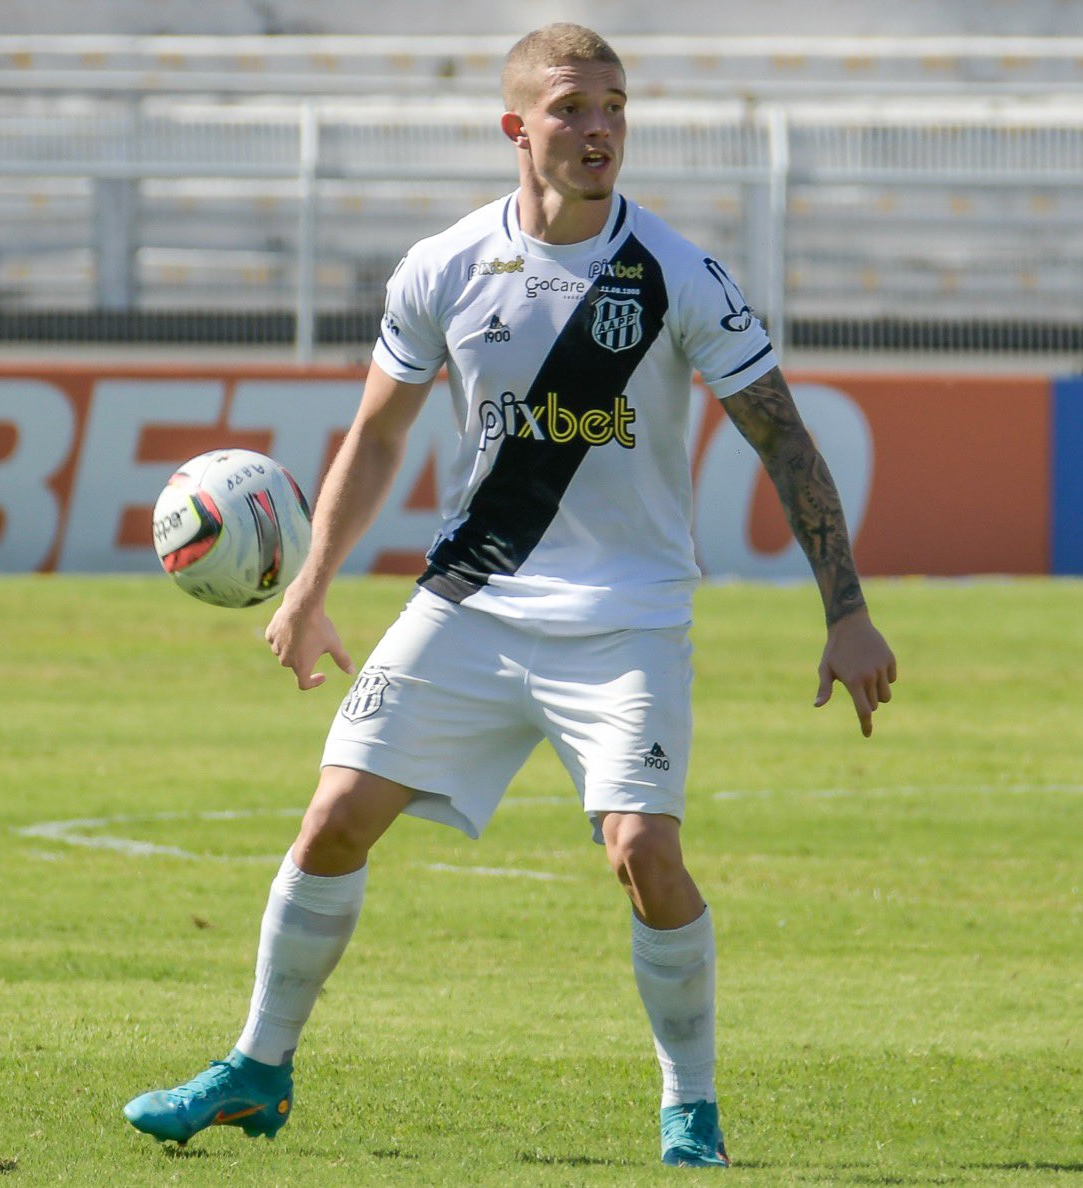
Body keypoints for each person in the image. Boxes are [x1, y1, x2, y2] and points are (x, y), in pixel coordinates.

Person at [123, 23, 897, 1169]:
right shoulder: (442, 266)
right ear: (516, 127)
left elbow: (784, 440)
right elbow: (377, 440)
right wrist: (315, 589)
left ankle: (689, 1109)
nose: (600, 130)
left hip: (628, 616)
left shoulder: (677, 273)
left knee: (643, 853)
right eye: (575, 109)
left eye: (616, 109)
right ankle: (256, 1069)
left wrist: (846, 609)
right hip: (472, 600)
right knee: (332, 822)